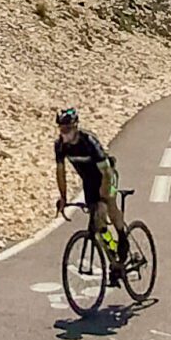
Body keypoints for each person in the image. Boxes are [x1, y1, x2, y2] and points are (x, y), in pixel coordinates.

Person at [52, 109, 127, 278]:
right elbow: (60, 172)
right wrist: (63, 197)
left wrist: (103, 195)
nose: (65, 133)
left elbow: (106, 171)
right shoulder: (60, 146)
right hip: (89, 182)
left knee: (108, 204)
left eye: (68, 129)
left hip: (107, 176)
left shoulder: (89, 142)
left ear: (76, 127)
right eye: (62, 129)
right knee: (98, 224)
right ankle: (114, 258)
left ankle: (122, 237)